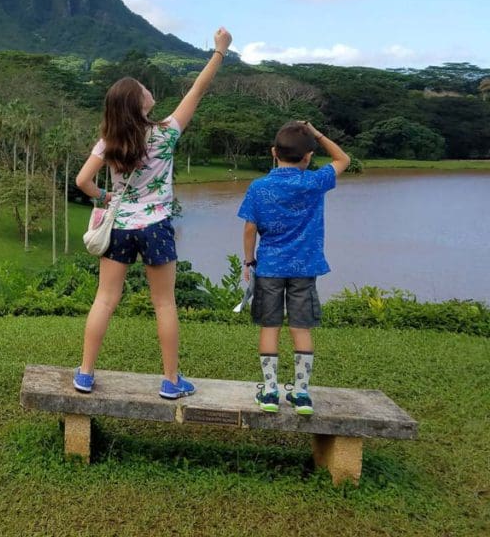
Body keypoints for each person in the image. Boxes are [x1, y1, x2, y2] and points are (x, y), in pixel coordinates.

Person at [73, 27, 233, 398]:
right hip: (157, 224)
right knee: (163, 302)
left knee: (105, 299)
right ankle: (171, 381)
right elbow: (197, 90)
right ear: (140, 102)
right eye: (143, 88)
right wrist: (219, 52)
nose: (148, 89)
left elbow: (82, 181)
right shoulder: (166, 133)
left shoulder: (109, 141)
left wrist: (107, 198)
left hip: (121, 228)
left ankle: (84, 373)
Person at [237, 121, 351, 415]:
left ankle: (270, 392)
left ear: (274, 152)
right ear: (308, 156)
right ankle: (301, 394)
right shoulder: (314, 182)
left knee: (269, 327)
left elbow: (250, 228)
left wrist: (249, 260)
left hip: (270, 267)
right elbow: (343, 160)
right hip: (305, 269)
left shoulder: (259, 187)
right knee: (301, 328)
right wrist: (317, 134)